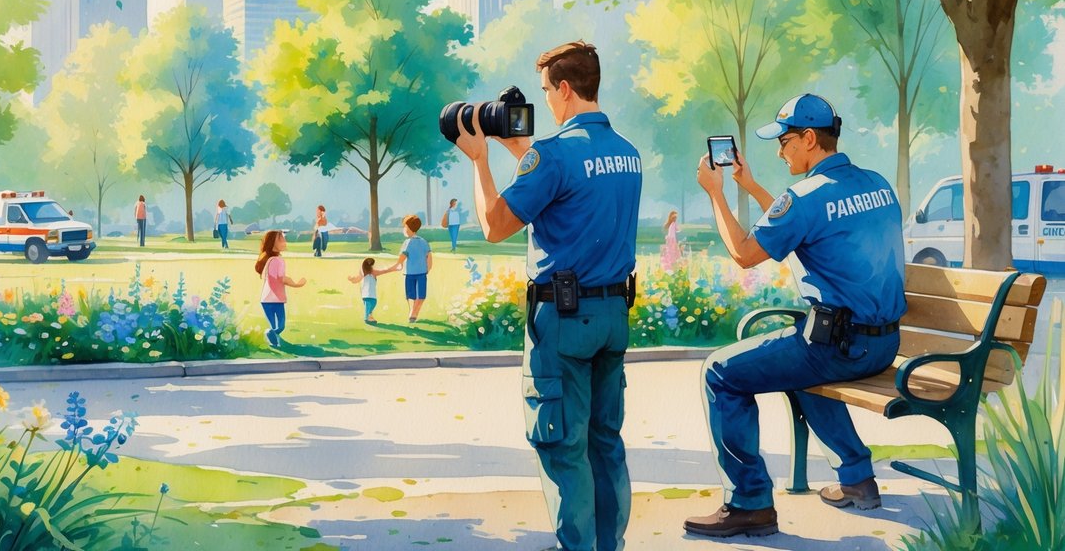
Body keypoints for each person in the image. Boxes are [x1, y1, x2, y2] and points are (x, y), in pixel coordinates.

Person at [684, 94, 906, 539]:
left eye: (784, 141)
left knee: (720, 372)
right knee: (799, 363)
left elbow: (746, 254)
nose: (779, 151)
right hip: (885, 344)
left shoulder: (804, 197)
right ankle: (857, 480)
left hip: (840, 347)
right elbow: (805, 221)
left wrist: (717, 194)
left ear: (809, 139)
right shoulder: (875, 182)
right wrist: (752, 188)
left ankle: (749, 504)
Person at [452, 40, 641, 551]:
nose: (544, 105)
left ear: (564, 88)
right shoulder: (628, 153)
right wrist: (525, 155)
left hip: (563, 319)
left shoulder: (553, 155)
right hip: (613, 314)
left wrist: (480, 161)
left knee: (562, 444)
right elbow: (579, 203)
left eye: (545, 92)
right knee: (605, 442)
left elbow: (495, 226)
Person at [255, 229, 306, 348]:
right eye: (281, 239)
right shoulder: (277, 261)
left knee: (275, 325)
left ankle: (274, 341)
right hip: (275, 299)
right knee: (280, 326)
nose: (285, 241)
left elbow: (275, 279)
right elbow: (280, 279)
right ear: (273, 243)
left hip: (266, 299)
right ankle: (271, 334)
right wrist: (296, 284)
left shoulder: (270, 260)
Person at [376, 215, 432, 323]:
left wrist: (395, 266)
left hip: (410, 273)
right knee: (421, 295)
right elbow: (429, 258)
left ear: (408, 228)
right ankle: (414, 313)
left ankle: (412, 312)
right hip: (422, 273)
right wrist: (427, 269)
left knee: (411, 295)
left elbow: (401, 258)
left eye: (404, 226)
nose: (403, 229)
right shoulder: (424, 242)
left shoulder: (407, 243)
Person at [347, 256, 384, 324]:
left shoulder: (372, 273)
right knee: (369, 306)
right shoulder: (364, 273)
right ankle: (366, 318)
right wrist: (352, 279)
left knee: (372, 305)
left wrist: (352, 280)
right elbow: (356, 279)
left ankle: (369, 317)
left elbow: (356, 279)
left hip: (370, 295)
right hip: (367, 294)